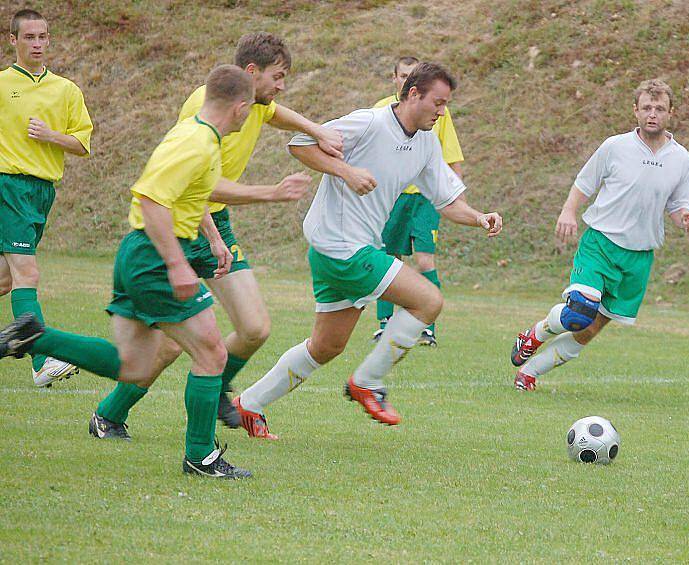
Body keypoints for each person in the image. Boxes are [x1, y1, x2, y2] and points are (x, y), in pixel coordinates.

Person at [0, 65, 256, 479]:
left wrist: (270, 194)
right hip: (155, 256)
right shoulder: (196, 141)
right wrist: (177, 265)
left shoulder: (200, 135)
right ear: (241, 108)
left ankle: (35, 336)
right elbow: (152, 200)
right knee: (211, 353)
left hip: (139, 254)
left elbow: (200, 191)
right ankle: (201, 456)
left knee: (133, 366)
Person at [87, 32, 342, 441]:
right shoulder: (205, 107)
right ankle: (110, 414)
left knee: (255, 327)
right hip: (193, 222)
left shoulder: (255, 103)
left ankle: (218, 386)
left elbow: (276, 113)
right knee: (171, 346)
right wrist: (213, 234)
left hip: (216, 222)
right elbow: (191, 185)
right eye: (278, 76)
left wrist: (317, 129)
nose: (281, 86)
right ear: (251, 72)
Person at [232, 62, 502, 435]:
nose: (442, 112)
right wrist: (347, 171)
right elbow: (301, 144)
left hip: (346, 248)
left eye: (445, 105)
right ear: (413, 94)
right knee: (428, 301)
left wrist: (479, 217)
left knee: (325, 346)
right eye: (437, 103)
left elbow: (447, 200)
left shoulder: (425, 142)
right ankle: (368, 383)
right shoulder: (370, 123)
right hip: (343, 248)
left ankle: (248, 404)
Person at [510, 79, 689, 391]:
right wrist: (568, 212)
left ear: (671, 113)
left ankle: (529, 374)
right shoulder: (615, 147)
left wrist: (688, 220)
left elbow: (680, 206)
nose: (653, 114)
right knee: (580, 312)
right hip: (601, 243)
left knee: (589, 330)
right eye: (647, 108)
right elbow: (585, 182)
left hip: (638, 258)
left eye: (660, 108)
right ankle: (535, 334)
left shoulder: (682, 158)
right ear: (635, 111)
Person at [0, 9, 93, 387]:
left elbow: (82, 144)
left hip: (42, 193)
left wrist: (51, 135)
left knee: (6, 280)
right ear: (13, 41)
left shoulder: (66, 90)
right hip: (9, 186)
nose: (37, 44)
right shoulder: (3, 85)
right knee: (28, 273)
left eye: (43, 37)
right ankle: (41, 361)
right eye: (29, 38)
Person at [372, 56, 464, 347]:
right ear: (395, 79)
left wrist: (458, 198)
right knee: (388, 259)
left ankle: (426, 327)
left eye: (411, 75)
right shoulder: (380, 111)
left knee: (425, 260)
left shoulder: (438, 113)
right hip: (393, 197)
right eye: (402, 75)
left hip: (425, 198)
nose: (406, 80)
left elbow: (451, 156)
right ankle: (385, 323)